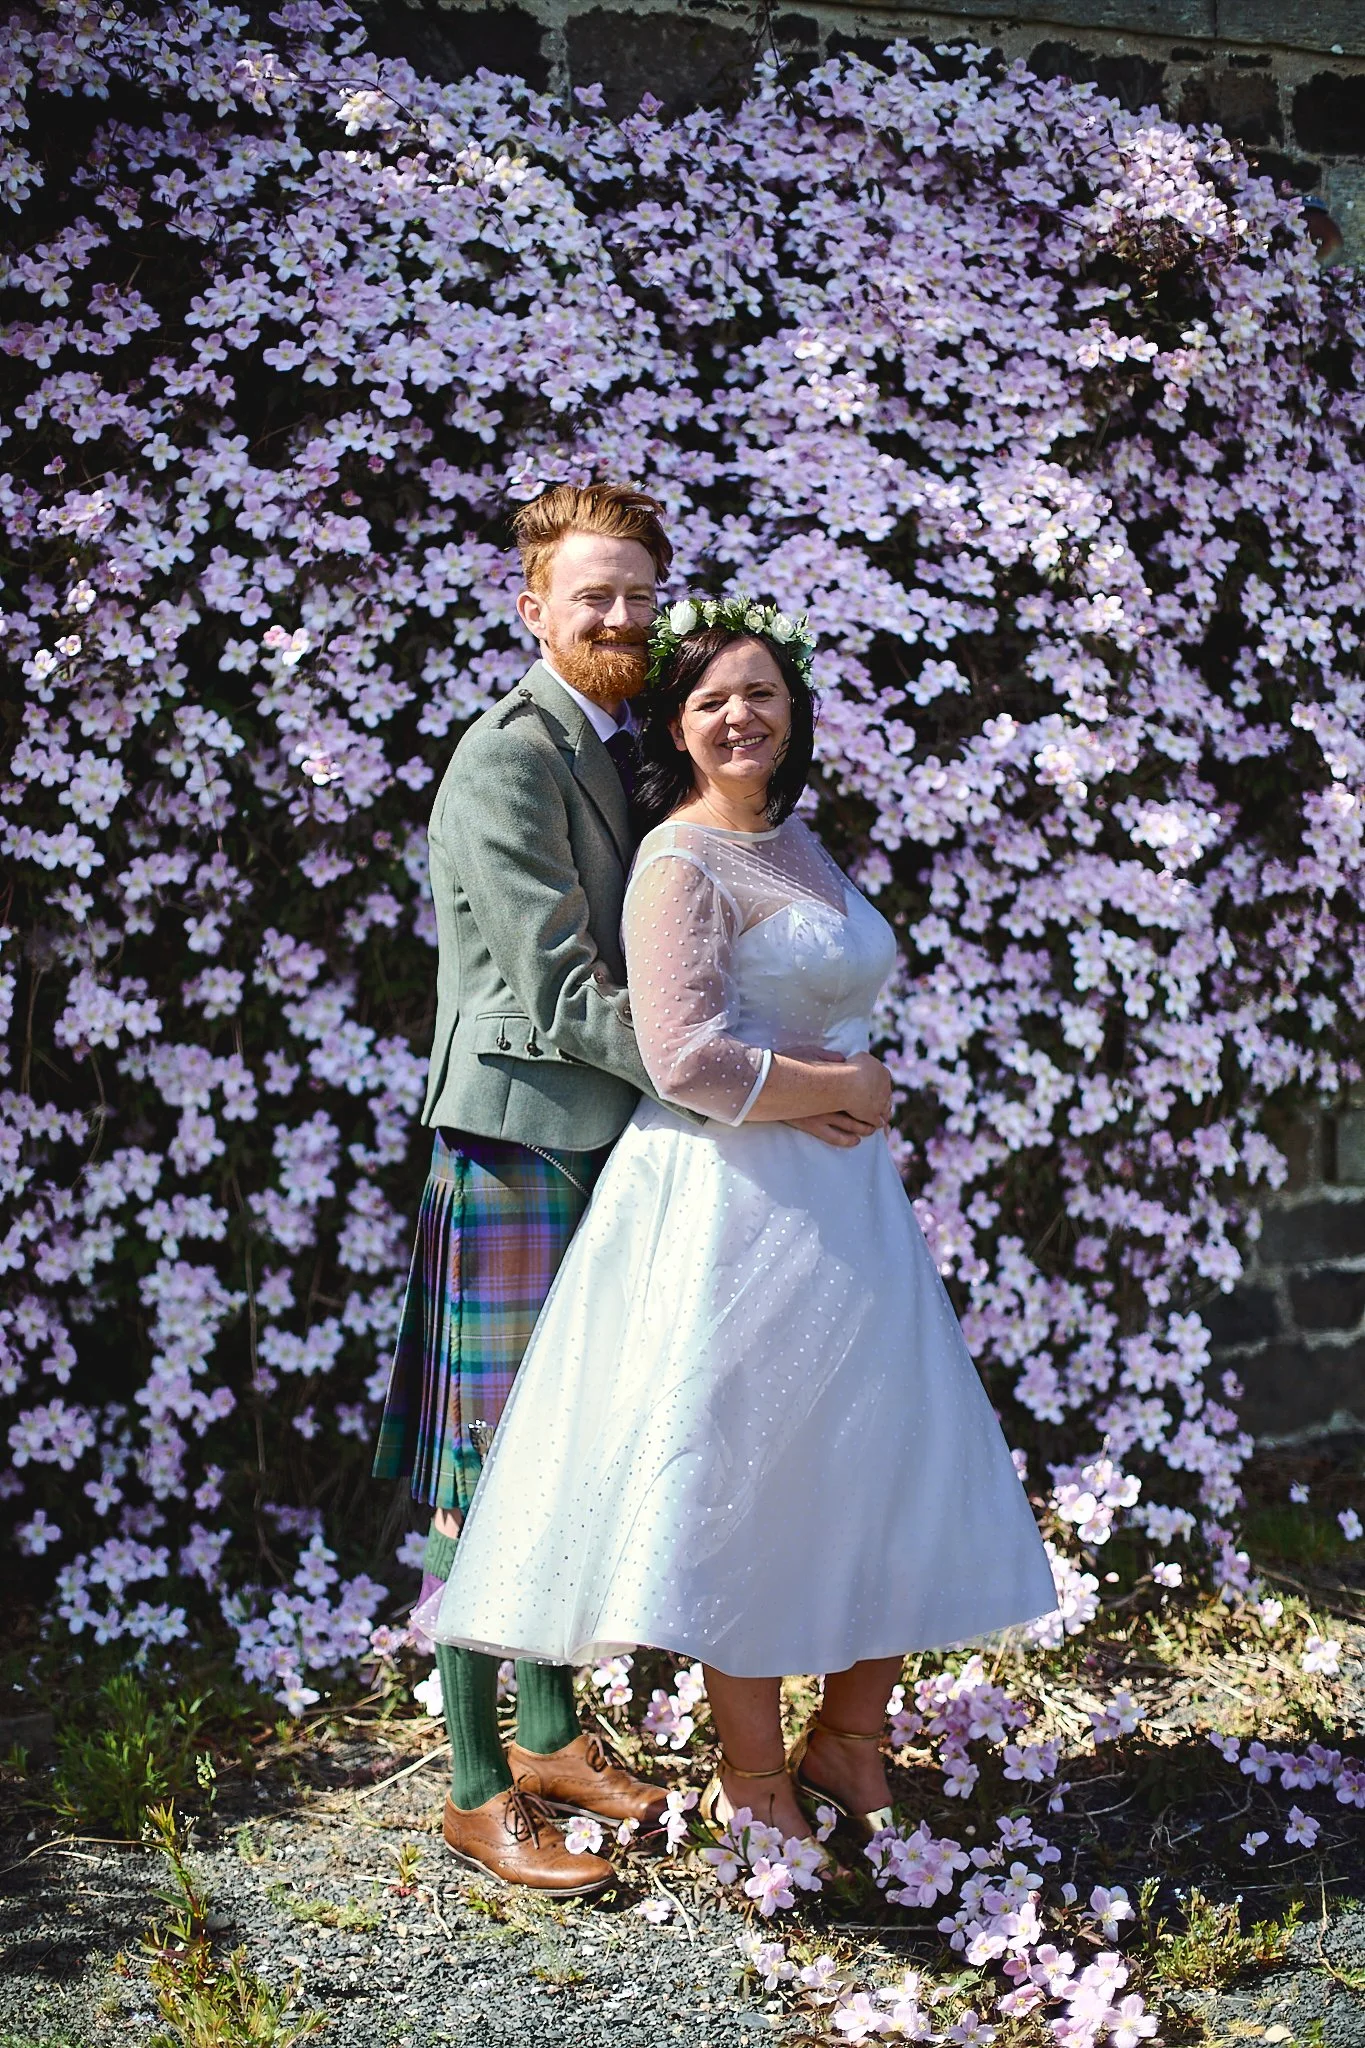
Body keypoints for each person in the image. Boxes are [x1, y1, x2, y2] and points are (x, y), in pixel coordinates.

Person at [429, 597, 1059, 1851]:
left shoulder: (801, 844)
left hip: (846, 1206)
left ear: (795, 711)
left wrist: (849, 1095)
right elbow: (687, 1056)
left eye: (762, 691)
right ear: (678, 722)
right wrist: (846, 1088)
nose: (740, 714)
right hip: (735, 1201)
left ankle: (851, 1736)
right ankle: (755, 1768)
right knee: (752, 1474)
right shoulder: (678, 859)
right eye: (712, 697)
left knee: (883, 1458)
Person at [371, 481, 678, 1896]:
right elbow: (558, 988)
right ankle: (478, 1789)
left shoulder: (622, 740)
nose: (618, 618)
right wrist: (715, 1074)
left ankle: (551, 1737)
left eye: (636, 594)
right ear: (531, 609)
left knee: (572, 1452)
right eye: (590, 596)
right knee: (492, 1472)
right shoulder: (507, 758)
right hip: (515, 1143)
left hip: (600, 1139)